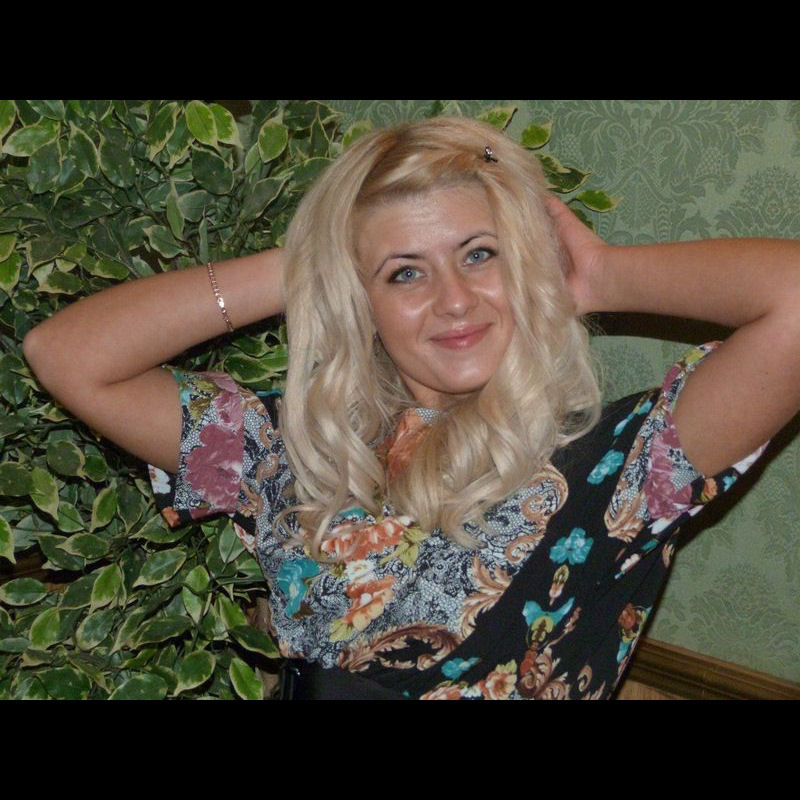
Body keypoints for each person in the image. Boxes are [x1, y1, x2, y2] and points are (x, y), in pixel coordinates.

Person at [22, 116, 800, 700]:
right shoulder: (287, 449)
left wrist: (603, 275)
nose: (453, 300)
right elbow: (67, 356)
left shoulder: (624, 467)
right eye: (404, 273)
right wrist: (311, 263)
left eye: (479, 255)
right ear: (361, 299)